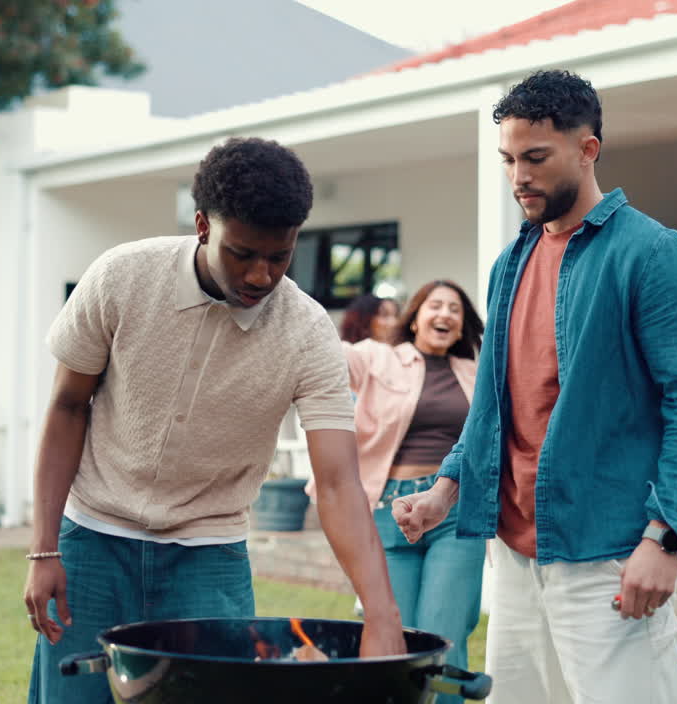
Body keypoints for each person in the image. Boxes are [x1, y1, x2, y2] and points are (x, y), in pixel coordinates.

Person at [24, 137, 405, 704]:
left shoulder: (307, 332)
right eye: (243, 253)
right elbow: (66, 407)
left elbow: (336, 481)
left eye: (279, 257)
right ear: (203, 225)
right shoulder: (121, 277)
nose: (260, 275)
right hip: (93, 542)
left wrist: (381, 614)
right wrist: (44, 548)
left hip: (209, 553)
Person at [393, 70, 677, 704]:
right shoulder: (510, 263)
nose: (519, 176)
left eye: (536, 158)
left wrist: (665, 536)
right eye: (509, 159)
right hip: (517, 552)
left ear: (588, 148)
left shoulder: (654, 255)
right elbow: (494, 402)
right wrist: (446, 489)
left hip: (609, 552)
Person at [327, 280, 486, 704]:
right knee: (392, 639)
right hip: (386, 511)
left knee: (443, 632)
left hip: (454, 510)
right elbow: (329, 357)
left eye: (455, 309)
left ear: (462, 324)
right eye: (435, 305)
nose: (445, 314)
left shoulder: (478, 370)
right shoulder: (378, 357)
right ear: (415, 318)